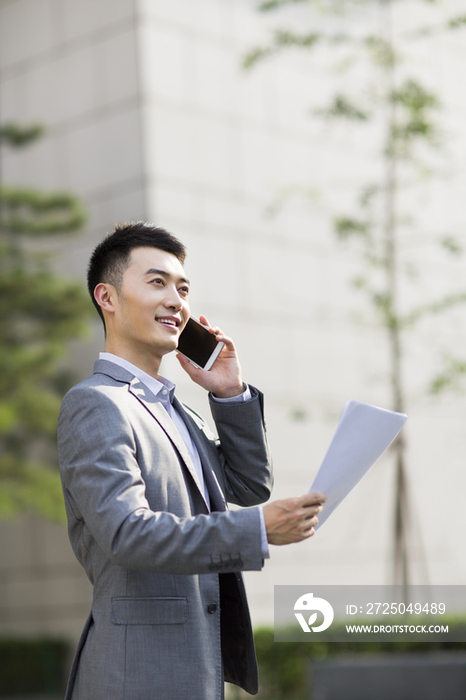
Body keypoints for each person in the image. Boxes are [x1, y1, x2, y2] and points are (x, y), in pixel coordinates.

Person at [57, 222, 326, 700]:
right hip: (134, 679)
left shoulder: (174, 409)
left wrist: (230, 393)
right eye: (157, 282)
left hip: (196, 674)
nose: (177, 301)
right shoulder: (96, 403)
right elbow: (127, 534)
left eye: (183, 288)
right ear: (108, 297)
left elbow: (246, 487)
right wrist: (256, 530)